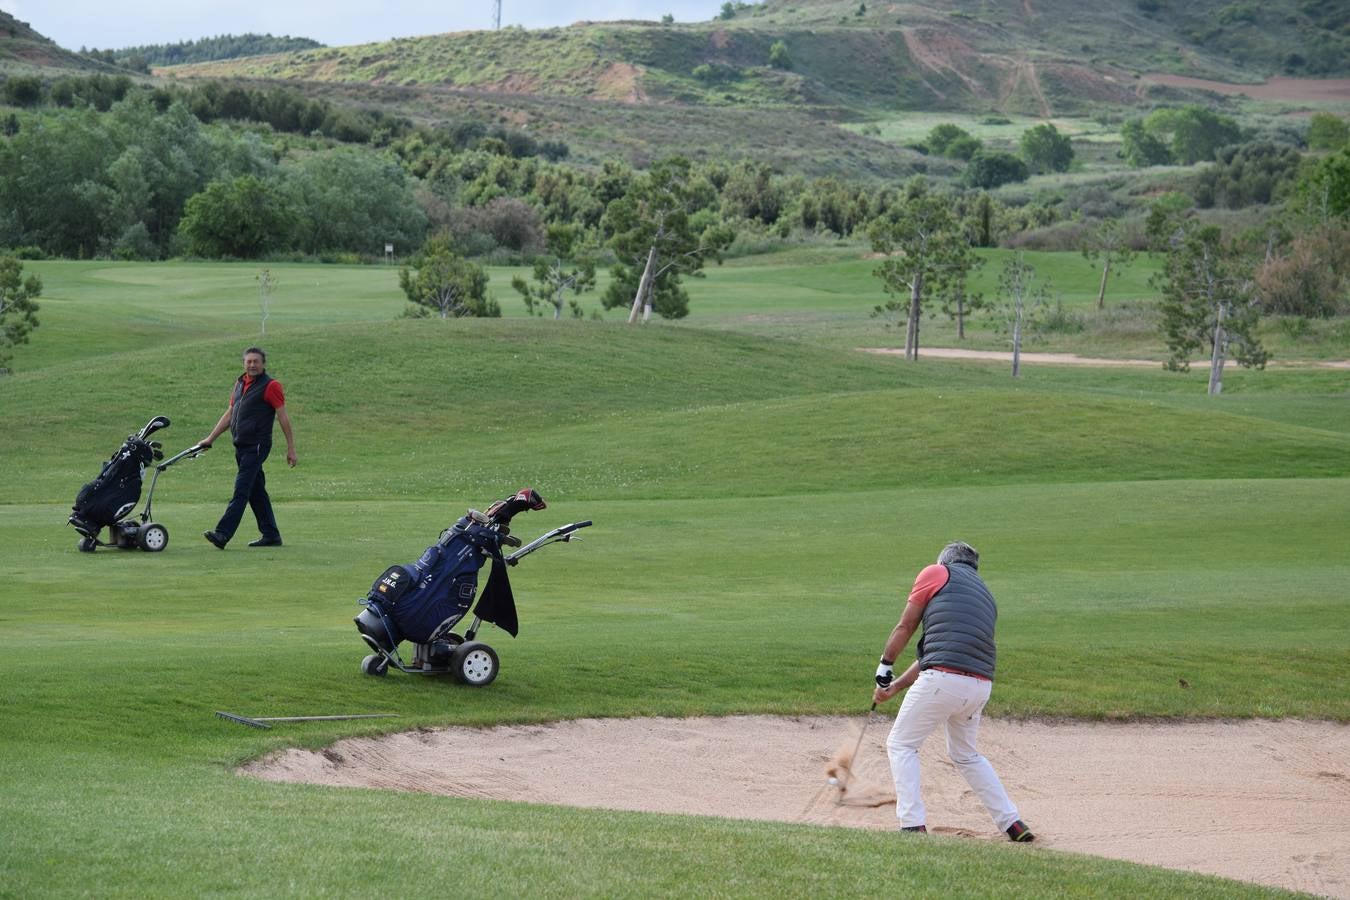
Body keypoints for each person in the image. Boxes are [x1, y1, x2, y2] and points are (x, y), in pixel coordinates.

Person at [871, 540, 1034, 842]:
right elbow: (935, 653)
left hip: (943, 680)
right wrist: (893, 689)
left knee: (901, 745)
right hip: (979, 685)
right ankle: (1012, 823)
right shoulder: (985, 595)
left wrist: (885, 666)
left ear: (945, 561)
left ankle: (912, 825)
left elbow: (906, 626)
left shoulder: (936, 573)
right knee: (965, 754)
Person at [199, 346, 296, 549]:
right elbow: (230, 413)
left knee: (241, 490)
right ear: (244, 363)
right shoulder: (240, 383)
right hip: (241, 446)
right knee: (256, 491)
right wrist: (210, 438)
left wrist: (290, 448)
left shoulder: (271, 386)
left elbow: (283, 417)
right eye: (249, 361)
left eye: (256, 361)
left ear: (263, 364)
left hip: (257, 446)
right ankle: (271, 535)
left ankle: (223, 534)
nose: (252, 365)